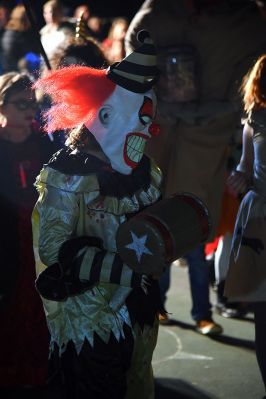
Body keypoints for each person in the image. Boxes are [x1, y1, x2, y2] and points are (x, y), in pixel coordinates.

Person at [32, 31, 164, 399]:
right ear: (105, 116)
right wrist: (123, 268)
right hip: (89, 323)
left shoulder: (146, 173)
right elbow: (53, 249)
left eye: (148, 120)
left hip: (138, 313)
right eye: (138, 120)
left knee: (138, 385)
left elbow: (152, 233)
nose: (148, 131)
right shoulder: (66, 177)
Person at [125, 0, 266, 336]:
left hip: (205, 137)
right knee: (151, 216)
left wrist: (219, 107)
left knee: (193, 222)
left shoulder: (241, 20)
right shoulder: (159, 10)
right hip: (160, 130)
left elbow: (253, 70)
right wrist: (155, 90)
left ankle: (201, 310)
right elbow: (135, 44)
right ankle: (152, 303)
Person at [0, 72, 60, 396]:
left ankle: (38, 368)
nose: (28, 111)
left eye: (32, 104)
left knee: (39, 305)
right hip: (7, 241)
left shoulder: (46, 142)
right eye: (21, 104)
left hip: (39, 239)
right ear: (2, 105)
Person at [225, 54, 266, 399]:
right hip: (261, 221)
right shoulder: (255, 118)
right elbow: (245, 168)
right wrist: (237, 179)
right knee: (264, 314)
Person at [1, 4, 40, 73]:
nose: (33, 18)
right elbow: (10, 61)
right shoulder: (11, 36)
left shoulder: (24, 33)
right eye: (30, 16)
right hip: (16, 74)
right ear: (23, 19)